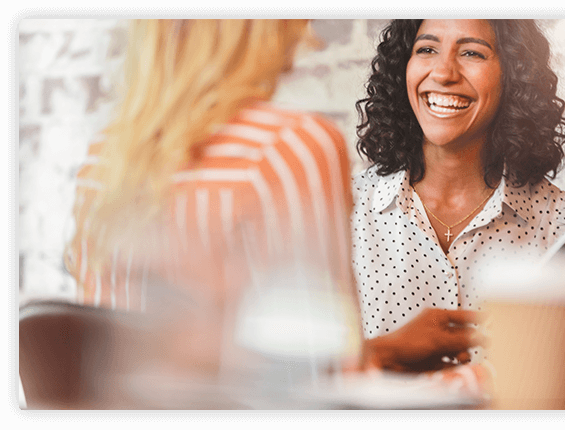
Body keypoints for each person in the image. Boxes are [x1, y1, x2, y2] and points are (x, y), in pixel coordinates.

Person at [63, 19, 363, 396]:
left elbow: (146, 355)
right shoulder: (286, 146)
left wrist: (389, 347)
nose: (307, 34)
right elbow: (320, 372)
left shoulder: (105, 160)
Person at [352, 19, 565, 375]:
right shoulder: (343, 210)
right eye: (427, 49)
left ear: (514, 74)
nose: (443, 72)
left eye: (472, 53)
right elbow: (293, 373)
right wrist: (380, 352)